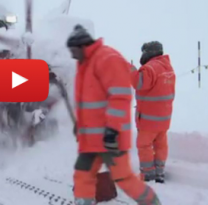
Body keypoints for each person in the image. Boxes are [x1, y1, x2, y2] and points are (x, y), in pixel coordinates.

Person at [67, 25, 161, 205]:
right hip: (91, 140)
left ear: (82, 46)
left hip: (111, 139)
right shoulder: (86, 64)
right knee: (83, 175)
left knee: (124, 179)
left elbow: (120, 96)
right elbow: (90, 103)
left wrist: (112, 130)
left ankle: (152, 202)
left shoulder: (107, 59)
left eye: (73, 50)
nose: (71, 55)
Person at [130, 41, 176, 183]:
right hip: (164, 119)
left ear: (149, 52)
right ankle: (159, 171)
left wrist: (129, 69)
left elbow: (139, 83)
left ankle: (148, 173)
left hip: (149, 120)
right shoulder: (168, 68)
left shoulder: (150, 68)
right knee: (160, 145)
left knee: (144, 145)